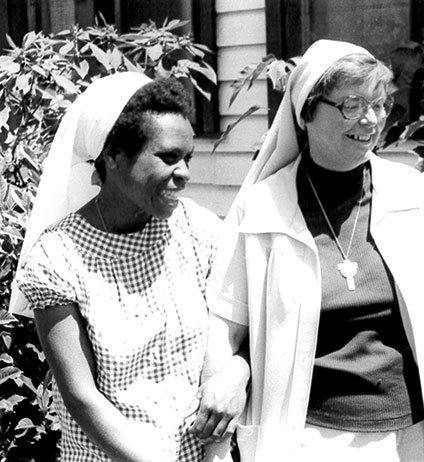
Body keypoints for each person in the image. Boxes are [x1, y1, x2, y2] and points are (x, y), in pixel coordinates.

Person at [204, 39, 424, 462]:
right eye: (353, 104)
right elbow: (227, 326)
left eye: (379, 104)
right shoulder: (263, 207)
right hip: (306, 438)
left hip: (414, 436)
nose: (371, 119)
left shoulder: (412, 194)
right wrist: (217, 439)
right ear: (306, 112)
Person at [11, 72, 248, 462]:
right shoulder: (58, 257)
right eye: (168, 157)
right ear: (114, 156)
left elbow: (242, 330)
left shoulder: (200, 231)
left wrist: (237, 372)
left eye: (187, 158)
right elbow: (81, 397)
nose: (185, 173)